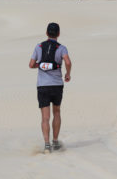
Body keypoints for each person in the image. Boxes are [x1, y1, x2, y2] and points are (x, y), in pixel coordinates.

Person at [29, 22, 72, 153]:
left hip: (42, 86)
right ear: (58, 34)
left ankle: (47, 145)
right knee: (57, 112)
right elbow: (68, 62)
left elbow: (31, 65)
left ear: (47, 33)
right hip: (57, 85)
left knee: (45, 117)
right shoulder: (62, 48)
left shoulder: (39, 46)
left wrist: (41, 65)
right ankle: (55, 142)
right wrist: (68, 74)